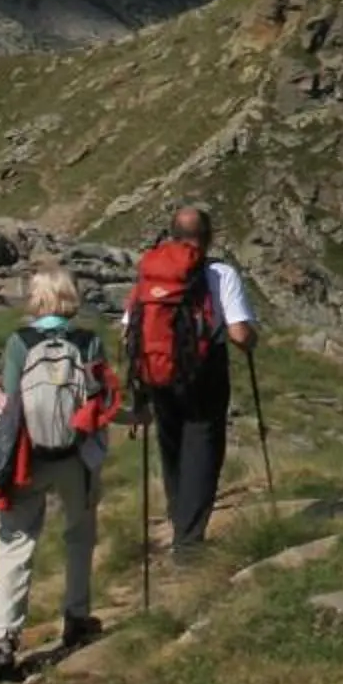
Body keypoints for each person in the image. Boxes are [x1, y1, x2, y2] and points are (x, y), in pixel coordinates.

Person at [0, 263, 119, 681]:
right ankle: (76, 618)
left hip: (28, 458)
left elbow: (11, 407)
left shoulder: (20, 342)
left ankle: (2, 638)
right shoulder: (89, 343)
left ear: (36, 298)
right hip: (78, 457)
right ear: (71, 297)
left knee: (16, 542)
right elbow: (101, 400)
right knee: (79, 535)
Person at [126, 204, 255, 561]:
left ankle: (179, 520)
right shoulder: (219, 273)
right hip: (203, 372)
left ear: (172, 234)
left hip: (157, 371)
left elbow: (129, 325)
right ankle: (189, 542)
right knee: (203, 447)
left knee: (172, 447)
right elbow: (240, 333)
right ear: (208, 237)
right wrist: (251, 341)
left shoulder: (151, 272)